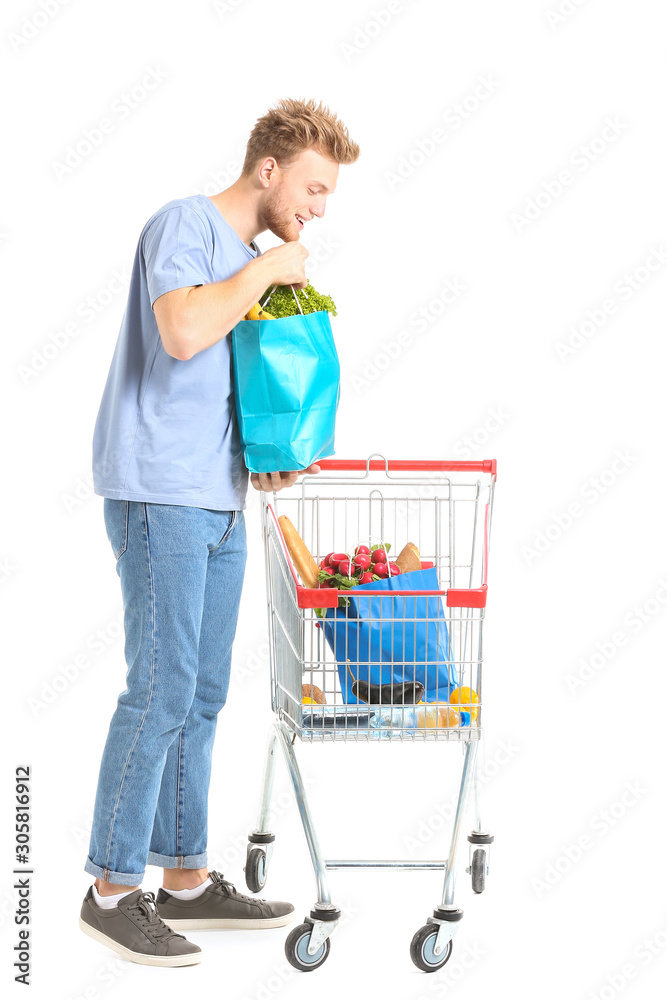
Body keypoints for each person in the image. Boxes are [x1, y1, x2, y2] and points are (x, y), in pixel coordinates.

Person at [79, 97, 360, 967]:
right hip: (156, 490)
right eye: (313, 187)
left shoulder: (245, 262)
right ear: (268, 168)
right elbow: (183, 329)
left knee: (201, 697)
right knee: (158, 692)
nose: (318, 208)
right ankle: (111, 889)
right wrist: (272, 271)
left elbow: (225, 387)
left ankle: (187, 880)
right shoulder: (186, 227)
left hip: (216, 493)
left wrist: (264, 456)